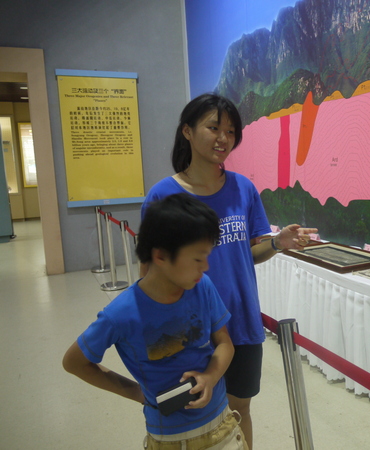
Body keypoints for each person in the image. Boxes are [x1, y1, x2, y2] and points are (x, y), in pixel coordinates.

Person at [141, 93, 317, 449]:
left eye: (231, 131)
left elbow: (249, 252)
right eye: (213, 127)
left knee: (238, 411)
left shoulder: (243, 189)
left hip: (241, 324)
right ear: (187, 131)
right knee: (189, 417)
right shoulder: (163, 196)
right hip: (187, 330)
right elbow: (147, 274)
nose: (224, 138)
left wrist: (278, 242)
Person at [63, 193, 248, 450]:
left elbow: (225, 343)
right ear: (160, 255)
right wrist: (135, 392)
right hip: (171, 438)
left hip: (222, 423)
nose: (205, 267)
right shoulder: (121, 314)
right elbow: (74, 362)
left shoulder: (201, 287)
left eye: (206, 256)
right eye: (197, 258)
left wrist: (210, 377)